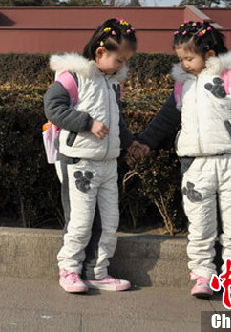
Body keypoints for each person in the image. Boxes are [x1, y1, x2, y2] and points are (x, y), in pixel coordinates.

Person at [134, 22, 231, 299]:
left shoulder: (230, 76)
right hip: (195, 167)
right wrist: (145, 141)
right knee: (200, 226)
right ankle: (202, 275)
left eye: (188, 58)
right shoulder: (182, 87)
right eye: (180, 58)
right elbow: (165, 120)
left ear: (208, 54)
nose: (183, 64)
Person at [44, 18, 141, 294]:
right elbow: (52, 107)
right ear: (100, 53)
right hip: (79, 161)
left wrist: (129, 142)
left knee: (109, 221)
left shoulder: (112, 84)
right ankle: (70, 269)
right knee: (81, 219)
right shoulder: (73, 76)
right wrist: (87, 123)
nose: (123, 66)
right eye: (119, 60)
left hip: (107, 163)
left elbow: (117, 120)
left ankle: (97, 271)